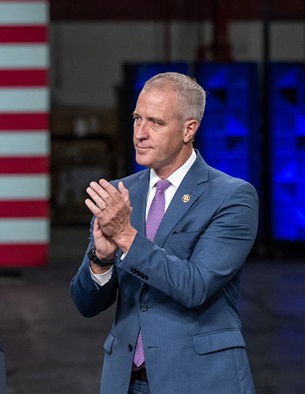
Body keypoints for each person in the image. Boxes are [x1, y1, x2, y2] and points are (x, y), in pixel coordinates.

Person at [70, 72, 258, 393]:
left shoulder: (232, 197)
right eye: (137, 118)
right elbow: (86, 304)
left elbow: (195, 285)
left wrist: (125, 237)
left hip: (199, 379)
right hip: (125, 382)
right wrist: (100, 259)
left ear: (189, 129)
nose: (140, 133)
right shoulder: (120, 194)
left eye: (155, 123)